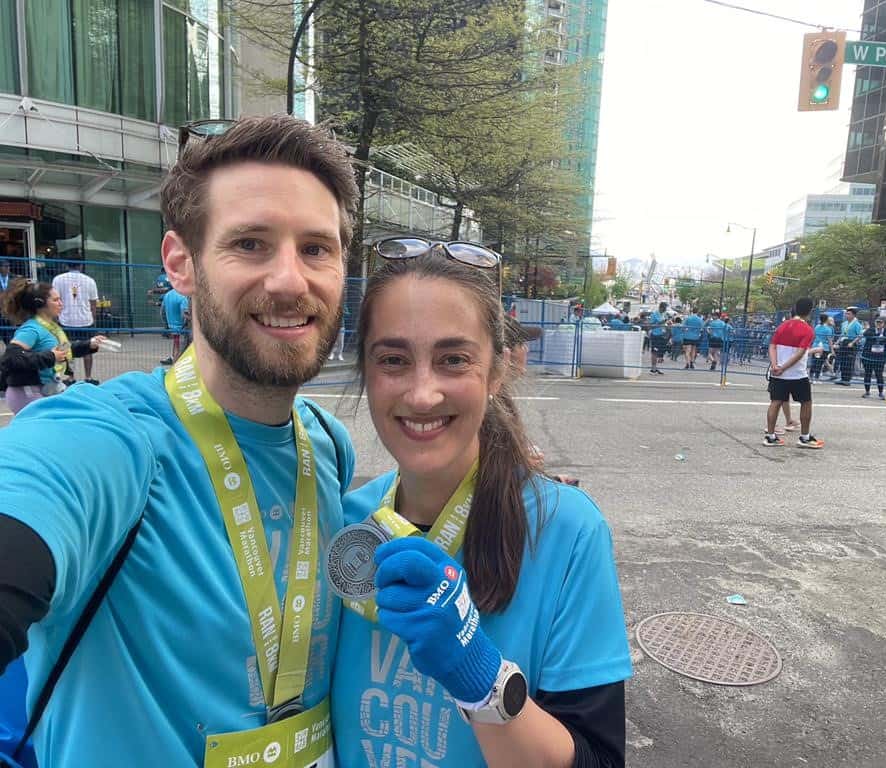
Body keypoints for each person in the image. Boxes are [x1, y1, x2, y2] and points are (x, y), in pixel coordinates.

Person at [0, 115, 359, 766]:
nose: (289, 279)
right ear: (181, 263)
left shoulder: (329, 447)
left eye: (316, 248)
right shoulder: (104, 443)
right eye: (250, 243)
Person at [331, 244, 631, 768]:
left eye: (453, 360)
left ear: (495, 372)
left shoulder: (566, 530)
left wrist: (479, 676)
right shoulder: (346, 521)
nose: (422, 394)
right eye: (394, 360)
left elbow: (598, 761)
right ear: (366, 373)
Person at [0, 279, 107, 415]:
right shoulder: (31, 329)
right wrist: (51, 356)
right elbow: (10, 358)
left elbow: (62, 351)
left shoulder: (50, 328)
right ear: (40, 304)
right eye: (56, 300)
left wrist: (89, 344)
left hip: (45, 388)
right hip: (26, 392)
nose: (61, 304)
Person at [763, 298, 824, 448]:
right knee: (806, 403)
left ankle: (770, 436)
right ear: (810, 311)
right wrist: (783, 367)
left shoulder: (782, 326)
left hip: (778, 373)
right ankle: (804, 437)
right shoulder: (808, 330)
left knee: (775, 402)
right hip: (797, 374)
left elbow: (772, 346)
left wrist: (776, 365)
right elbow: (800, 353)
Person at [51, 257, 100, 384]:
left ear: (67, 266)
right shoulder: (89, 280)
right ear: (81, 266)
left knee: (67, 349)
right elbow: (93, 303)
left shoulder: (58, 280)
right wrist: (93, 319)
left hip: (65, 320)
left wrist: (55, 318)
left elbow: (55, 300)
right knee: (88, 349)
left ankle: (70, 377)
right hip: (85, 320)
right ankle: (88, 377)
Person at [860, 316, 886, 399]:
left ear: (884, 324)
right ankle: (867, 392)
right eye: (877, 322)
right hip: (868, 356)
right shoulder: (871, 330)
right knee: (867, 374)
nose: (878, 324)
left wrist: (883, 335)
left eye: (880, 322)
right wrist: (877, 335)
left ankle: (881, 393)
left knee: (879, 375)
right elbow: (865, 334)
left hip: (880, 358)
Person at [160, 286, 190, 365]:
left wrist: (166, 324)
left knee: (176, 344)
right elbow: (184, 314)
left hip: (172, 326)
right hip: (182, 328)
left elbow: (162, 311)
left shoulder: (167, 295)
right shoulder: (183, 297)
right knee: (182, 347)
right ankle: (176, 364)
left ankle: (173, 358)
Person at [834, 307, 862, 385]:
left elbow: (860, 335)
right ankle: (843, 378)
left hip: (851, 344)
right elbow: (842, 334)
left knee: (849, 362)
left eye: (849, 314)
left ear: (853, 315)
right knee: (843, 361)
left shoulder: (857, 324)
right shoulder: (844, 323)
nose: (847, 315)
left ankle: (847, 379)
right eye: (846, 313)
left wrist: (853, 343)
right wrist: (837, 342)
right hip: (844, 342)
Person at [810, 314, 835, 381]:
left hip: (815, 346)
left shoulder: (817, 327)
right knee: (820, 363)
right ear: (826, 320)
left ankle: (811, 377)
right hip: (824, 348)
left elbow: (814, 336)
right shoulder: (828, 329)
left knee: (814, 362)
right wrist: (832, 350)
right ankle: (816, 378)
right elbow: (830, 341)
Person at [647, 301, 669, 374]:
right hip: (656, 335)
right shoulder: (654, 314)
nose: (666, 309)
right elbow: (650, 326)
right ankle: (653, 369)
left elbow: (663, 323)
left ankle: (655, 368)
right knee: (654, 352)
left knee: (658, 352)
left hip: (661, 335)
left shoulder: (662, 314)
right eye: (665, 308)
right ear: (661, 307)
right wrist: (661, 323)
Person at [0, 258, 13, 345]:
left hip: (10, 308)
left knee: (10, 331)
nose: (8, 268)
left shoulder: (13, 278)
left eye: (8, 266)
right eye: (5, 266)